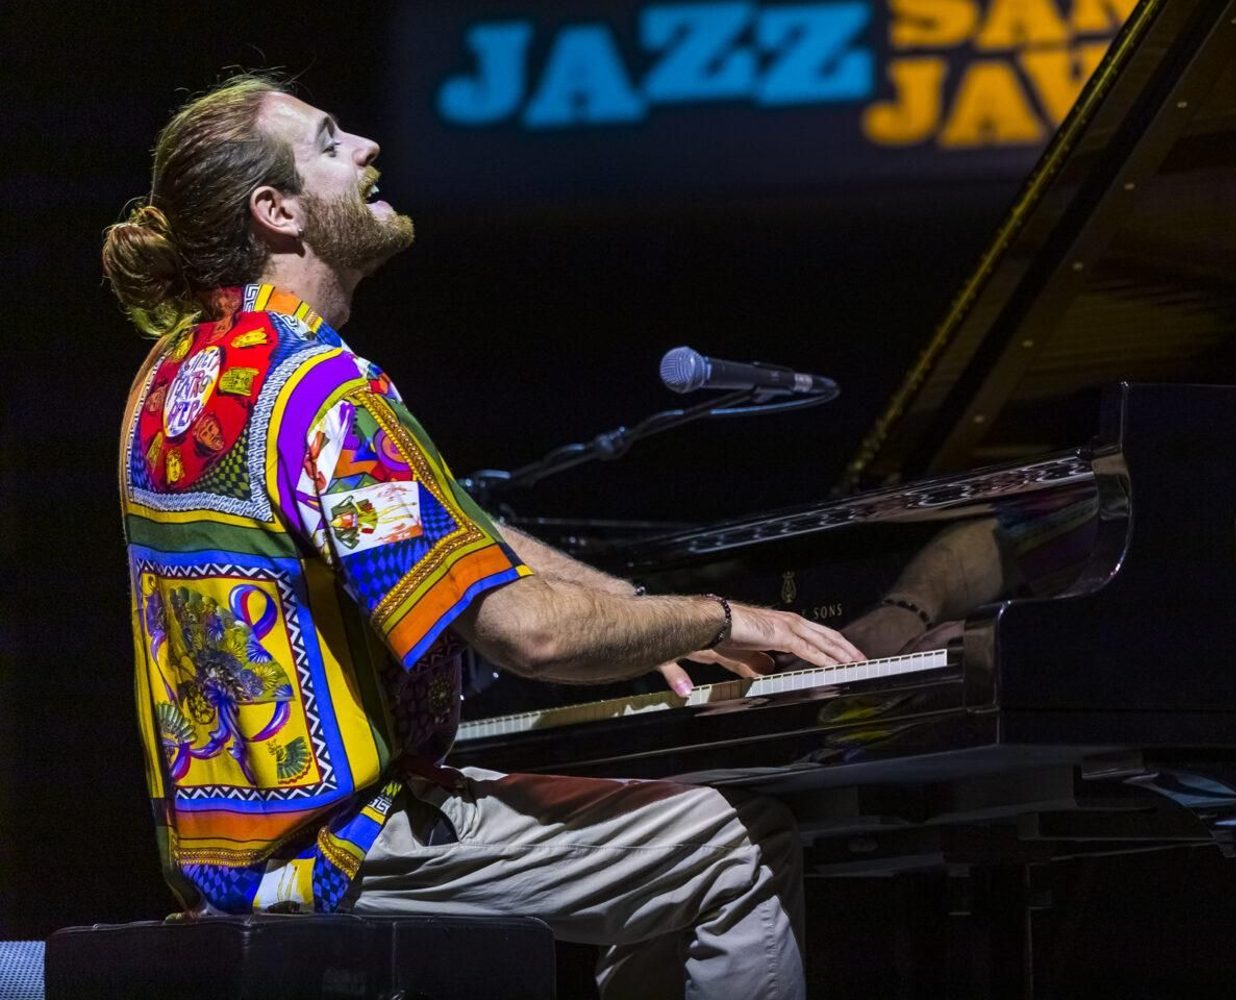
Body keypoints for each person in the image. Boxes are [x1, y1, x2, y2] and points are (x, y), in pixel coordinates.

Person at [102, 72, 864, 999]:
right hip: (346, 846)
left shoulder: (179, 377)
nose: (367, 148)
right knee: (732, 844)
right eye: (333, 141)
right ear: (278, 210)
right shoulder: (320, 393)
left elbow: (443, 524)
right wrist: (713, 618)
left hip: (223, 858)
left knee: (673, 856)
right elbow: (526, 635)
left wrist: (629, 612)